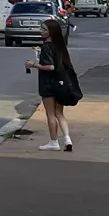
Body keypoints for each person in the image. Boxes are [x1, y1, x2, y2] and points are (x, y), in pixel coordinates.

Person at [26, 18, 74, 152]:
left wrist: (33, 65)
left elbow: (50, 66)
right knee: (60, 113)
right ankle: (67, 139)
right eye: (41, 28)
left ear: (51, 32)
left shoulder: (47, 47)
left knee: (50, 114)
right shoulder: (60, 46)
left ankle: (54, 142)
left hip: (48, 84)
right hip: (61, 83)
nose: (41, 31)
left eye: (44, 29)